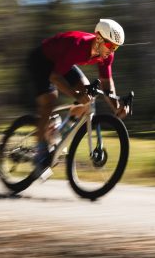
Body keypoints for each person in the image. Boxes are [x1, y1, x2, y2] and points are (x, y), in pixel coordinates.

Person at [26, 18, 130, 169]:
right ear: (99, 38)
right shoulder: (78, 46)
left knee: (90, 94)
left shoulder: (107, 55)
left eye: (116, 47)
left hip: (64, 60)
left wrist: (116, 106)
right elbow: (54, 77)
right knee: (49, 101)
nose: (112, 50)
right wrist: (76, 95)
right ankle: (40, 151)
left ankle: (61, 129)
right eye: (110, 45)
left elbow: (107, 82)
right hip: (42, 59)